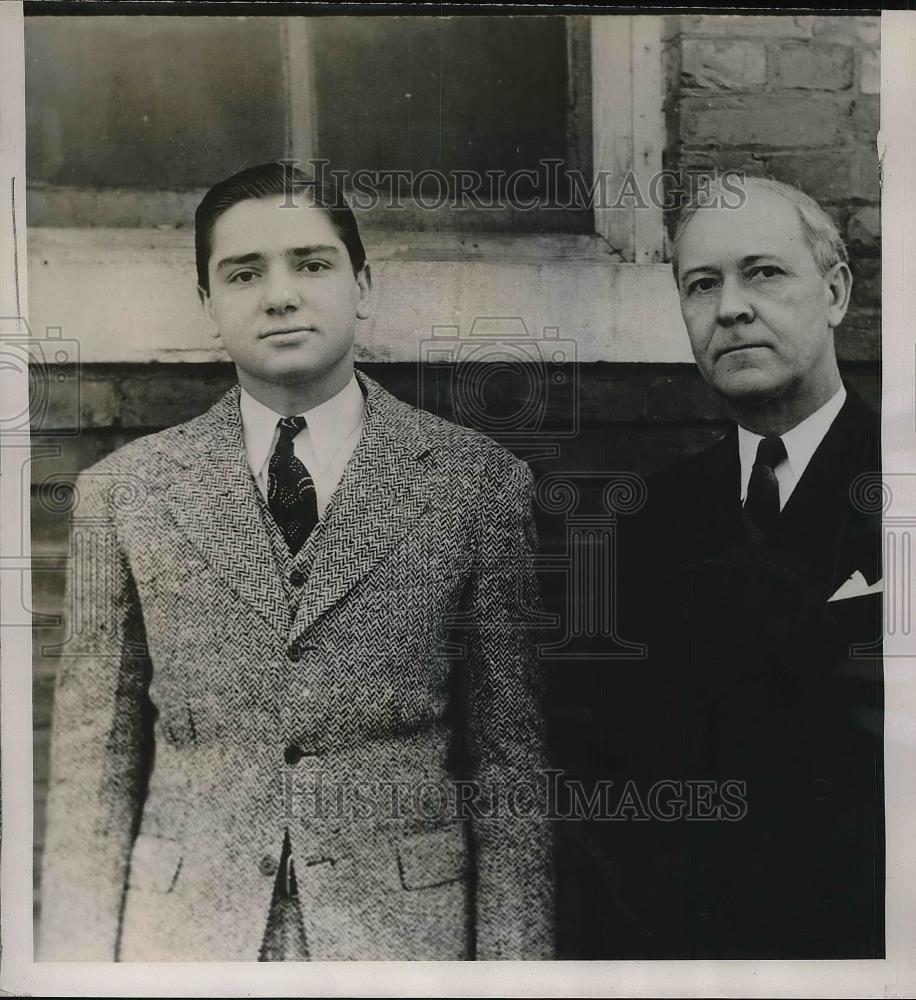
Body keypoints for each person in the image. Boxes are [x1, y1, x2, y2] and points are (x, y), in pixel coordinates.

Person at [38, 162, 553, 962]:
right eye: (243, 274)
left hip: (403, 939)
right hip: (185, 939)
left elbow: (509, 765)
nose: (280, 295)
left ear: (363, 284)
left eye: (311, 264)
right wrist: (73, 964)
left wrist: (514, 974)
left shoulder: (474, 483)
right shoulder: (126, 493)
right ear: (208, 306)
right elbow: (91, 766)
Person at [576, 176, 883, 959]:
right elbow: (616, 786)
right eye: (702, 285)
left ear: (837, 292)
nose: (732, 307)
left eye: (765, 273)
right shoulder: (643, 521)